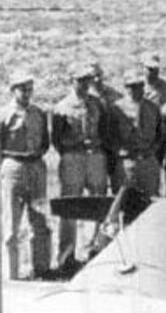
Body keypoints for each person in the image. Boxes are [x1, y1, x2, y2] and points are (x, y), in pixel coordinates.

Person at [52, 64, 110, 269]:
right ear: (71, 81)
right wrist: (71, 153)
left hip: (95, 156)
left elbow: (103, 131)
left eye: (87, 80)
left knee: (98, 203)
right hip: (73, 157)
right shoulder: (62, 107)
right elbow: (56, 139)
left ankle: (92, 252)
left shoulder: (97, 104)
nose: (84, 84)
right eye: (79, 80)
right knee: (69, 206)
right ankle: (67, 257)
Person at [0, 72, 51, 280]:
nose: (27, 93)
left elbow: (45, 142)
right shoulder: (4, 114)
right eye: (22, 89)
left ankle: (42, 269)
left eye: (30, 89)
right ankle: (11, 274)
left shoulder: (38, 113)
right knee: (12, 224)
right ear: (13, 90)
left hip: (36, 167)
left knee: (39, 220)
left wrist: (36, 159)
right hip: (14, 167)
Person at [111, 70, 163, 196]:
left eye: (140, 85)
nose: (137, 89)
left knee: (151, 199)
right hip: (127, 162)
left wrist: (152, 151)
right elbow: (109, 135)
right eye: (132, 86)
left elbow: (159, 134)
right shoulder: (116, 109)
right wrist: (120, 152)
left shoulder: (152, 107)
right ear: (126, 88)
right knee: (124, 200)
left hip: (148, 160)